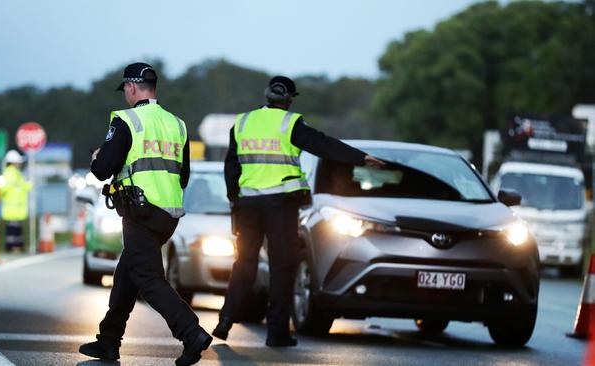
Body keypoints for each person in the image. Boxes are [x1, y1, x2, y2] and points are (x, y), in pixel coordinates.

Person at [213, 76, 384, 346]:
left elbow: (231, 166)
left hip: (248, 205)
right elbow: (323, 144)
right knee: (283, 266)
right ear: (290, 99)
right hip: (280, 205)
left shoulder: (243, 122)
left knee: (244, 263)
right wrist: (360, 157)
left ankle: (225, 319)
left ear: (267, 95)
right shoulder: (290, 123)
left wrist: (235, 199)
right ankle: (277, 332)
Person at [79, 62, 212, 366]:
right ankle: (108, 342)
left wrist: (97, 157)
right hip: (168, 215)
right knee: (127, 274)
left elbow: (101, 170)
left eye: (125, 88)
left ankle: (192, 333)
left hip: (140, 212)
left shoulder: (127, 120)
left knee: (149, 278)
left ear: (131, 87)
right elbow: (184, 174)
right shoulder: (177, 124)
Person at [0, 150, 32, 252]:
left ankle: (18, 246)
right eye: (18, 162)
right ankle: (12, 247)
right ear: (13, 162)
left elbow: (25, 187)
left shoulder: (16, 174)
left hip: (17, 208)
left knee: (17, 228)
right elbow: (2, 189)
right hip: (12, 207)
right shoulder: (9, 174)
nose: (19, 164)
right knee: (13, 229)